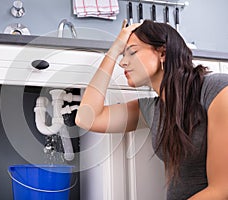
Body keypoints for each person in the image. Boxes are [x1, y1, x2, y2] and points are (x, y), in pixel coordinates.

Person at [75, 19, 228, 200]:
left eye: (132, 52)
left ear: (162, 53)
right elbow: (86, 119)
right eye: (122, 55)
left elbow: (222, 189)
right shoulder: (151, 109)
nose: (122, 63)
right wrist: (113, 50)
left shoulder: (216, 89)